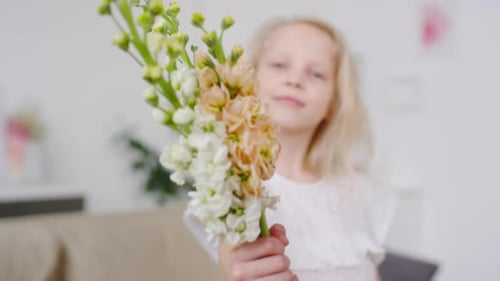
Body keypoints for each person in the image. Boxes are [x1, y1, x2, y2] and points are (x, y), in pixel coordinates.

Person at [185, 17, 397, 281]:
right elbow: (235, 261)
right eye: (279, 65)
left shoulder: (360, 191)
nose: (295, 79)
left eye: (316, 73)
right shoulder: (233, 187)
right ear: (248, 83)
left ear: (333, 104)